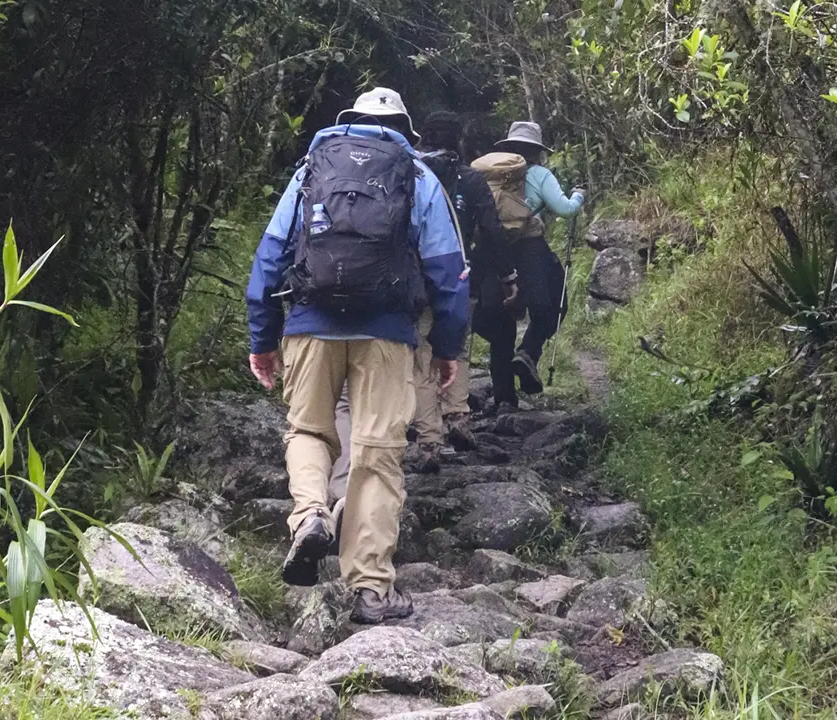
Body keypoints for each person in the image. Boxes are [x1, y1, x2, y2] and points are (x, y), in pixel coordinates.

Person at [246, 88, 469, 624]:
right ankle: (371, 588)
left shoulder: (310, 171)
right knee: (377, 452)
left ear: (351, 122)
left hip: (309, 324)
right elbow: (448, 271)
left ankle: (309, 517)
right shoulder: (417, 177)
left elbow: (270, 256)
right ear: (404, 128)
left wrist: (262, 338)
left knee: (308, 432)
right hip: (387, 332)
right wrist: (448, 347)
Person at [404, 111, 519, 471]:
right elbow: (491, 229)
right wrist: (507, 275)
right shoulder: (470, 179)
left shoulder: (409, 175)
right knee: (457, 348)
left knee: (422, 356)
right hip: (458, 275)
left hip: (415, 278)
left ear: (423, 137)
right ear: (458, 140)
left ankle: (429, 440)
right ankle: (457, 416)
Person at [474, 121, 584, 404]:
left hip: (493, 252)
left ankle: (504, 400)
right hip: (531, 251)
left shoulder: (491, 177)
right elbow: (565, 210)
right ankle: (528, 353)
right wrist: (578, 196)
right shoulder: (540, 174)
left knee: (501, 327)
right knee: (552, 305)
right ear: (537, 150)